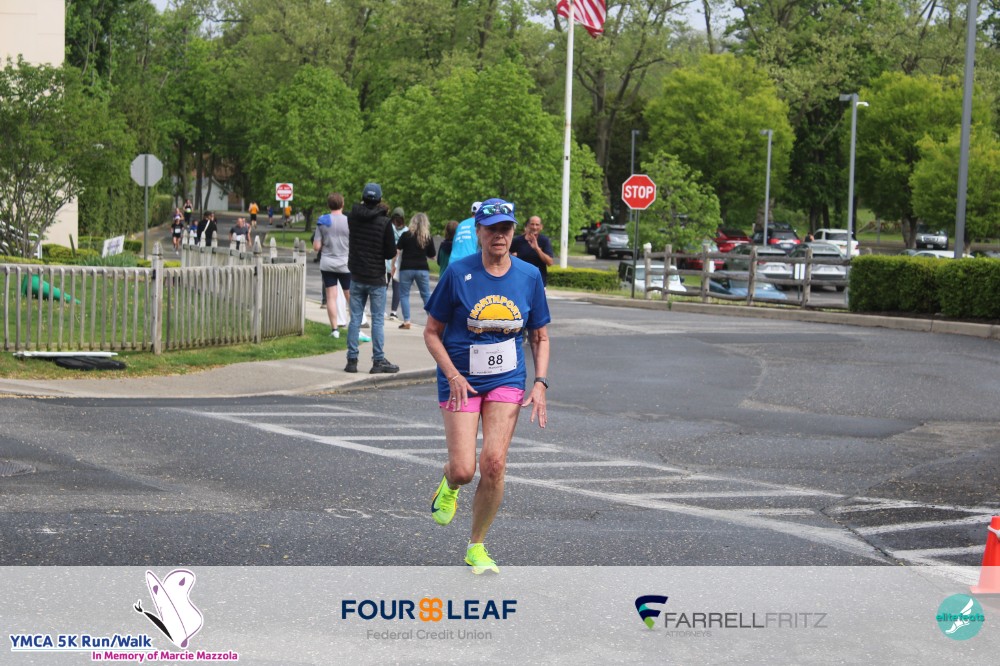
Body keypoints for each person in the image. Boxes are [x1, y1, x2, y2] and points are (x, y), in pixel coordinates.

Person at [423, 197, 551, 575]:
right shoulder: (457, 273)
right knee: (465, 469)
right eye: (492, 229)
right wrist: (452, 374)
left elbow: (540, 336)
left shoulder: (529, 276)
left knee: (493, 464)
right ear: (478, 232)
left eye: (505, 228)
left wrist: (540, 383)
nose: (499, 235)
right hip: (460, 380)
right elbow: (431, 333)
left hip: (506, 379)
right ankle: (450, 483)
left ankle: (476, 546)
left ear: (513, 232)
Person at [345, 182, 400, 374]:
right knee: (377, 320)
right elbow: (390, 252)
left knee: (355, 319)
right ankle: (378, 360)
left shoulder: (352, 217)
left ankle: (352, 360)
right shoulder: (384, 222)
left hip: (357, 274)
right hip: (376, 276)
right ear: (379, 199)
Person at [314, 193, 351, 338]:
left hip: (327, 263)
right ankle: (355, 326)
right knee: (350, 296)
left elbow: (316, 246)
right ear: (342, 204)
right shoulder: (348, 221)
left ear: (329, 205)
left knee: (331, 297)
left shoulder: (323, 221)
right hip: (345, 263)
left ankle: (334, 330)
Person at [395, 212, 435, 330]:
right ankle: (433, 321)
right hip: (422, 268)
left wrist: (393, 266)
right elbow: (432, 255)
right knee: (426, 295)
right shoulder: (427, 237)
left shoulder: (406, 235)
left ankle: (407, 321)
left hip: (406, 268)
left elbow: (397, 250)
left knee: (404, 295)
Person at [510, 215, 554, 286]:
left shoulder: (544, 241)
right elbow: (506, 255)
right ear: (527, 225)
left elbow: (550, 262)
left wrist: (537, 249)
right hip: (520, 281)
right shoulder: (517, 240)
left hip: (538, 283)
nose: (534, 227)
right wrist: (512, 257)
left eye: (537, 225)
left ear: (541, 227)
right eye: (532, 224)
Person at [387, 208, 407, 320]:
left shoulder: (388, 226)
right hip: (396, 263)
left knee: (385, 287)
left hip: (389, 261)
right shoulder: (406, 231)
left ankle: (388, 311)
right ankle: (393, 312)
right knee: (396, 288)